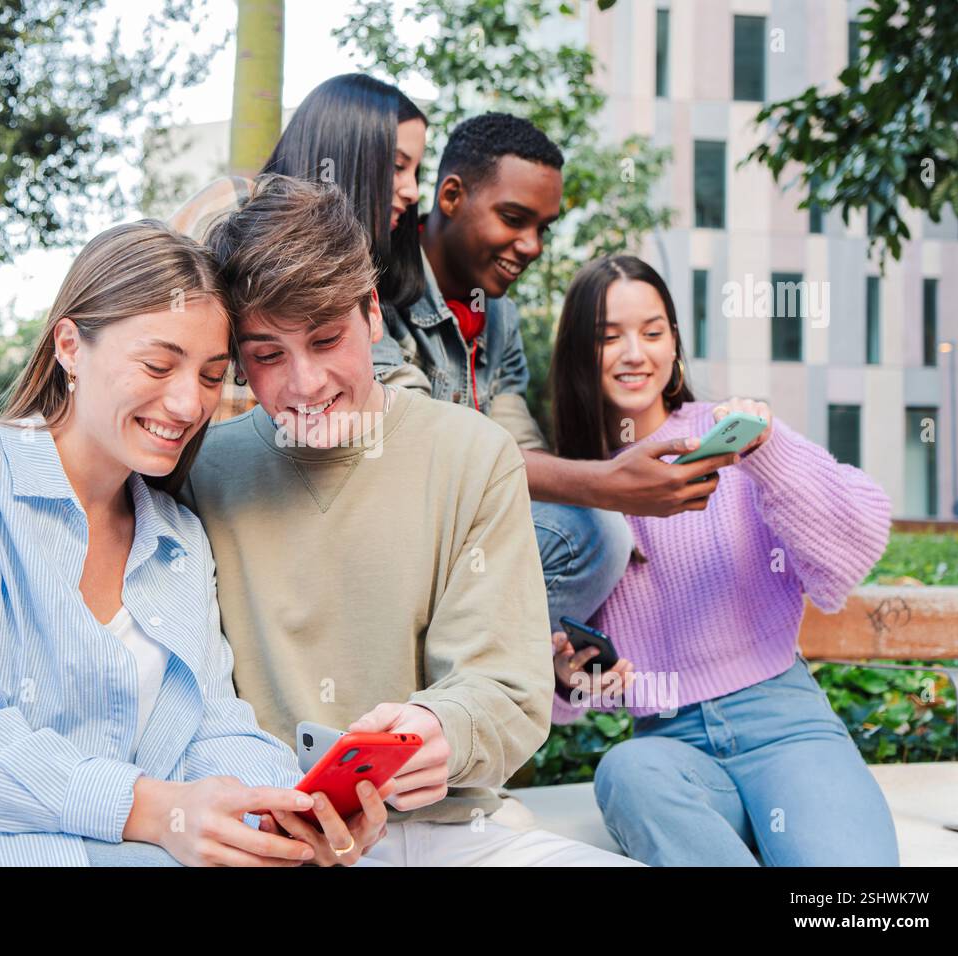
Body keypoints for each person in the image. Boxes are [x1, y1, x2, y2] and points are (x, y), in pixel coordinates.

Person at [0, 221, 388, 867]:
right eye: (158, 363)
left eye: (210, 376)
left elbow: (212, 724)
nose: (187, 402)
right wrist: (154, 810)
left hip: (90, 847)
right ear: (70, 345)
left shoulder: (175, 539)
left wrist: (291, 813)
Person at [181, 173, 642, 866]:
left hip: (448, 831)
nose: (305, 384)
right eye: (269, 356)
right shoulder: (202, 471)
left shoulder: (473, 455)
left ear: (371, 313)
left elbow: (506, 686)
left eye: (327, 338)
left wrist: (441, 727)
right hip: (267, 835)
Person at [546, 254, 899, 866]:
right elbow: (559, 686)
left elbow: (856, 542)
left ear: (675, 344)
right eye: (609, 337)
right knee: (624, 770)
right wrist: (574, 683)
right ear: (580, 353)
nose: (635, 353)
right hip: (668, 748)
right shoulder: (572, 489)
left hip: (785, 724)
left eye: (653, 332)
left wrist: (769, 451)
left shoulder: (727, 432)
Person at [371, 112, 738, 635]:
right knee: (592, 531)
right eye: (514, 218)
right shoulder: (377, 287)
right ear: (451, 197)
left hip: (455, 537)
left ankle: (493, 674)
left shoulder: (500, 318)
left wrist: (609, 494)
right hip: (382, 533)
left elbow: (515, 441)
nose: (532, 246)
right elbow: (427, 444)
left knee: (594, 534)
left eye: (542, 228)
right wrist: (606, 484)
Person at [169, 72, 433, 415]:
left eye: (327, 340)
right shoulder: (232, 209)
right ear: (346, 150)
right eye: (398, 166)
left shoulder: (381, 276)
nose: (412, 191)